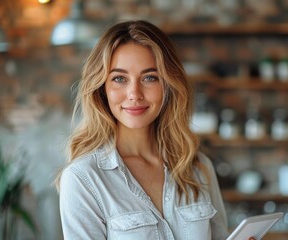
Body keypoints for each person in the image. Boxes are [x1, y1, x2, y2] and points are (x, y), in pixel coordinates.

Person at [56, 20, 237, 240]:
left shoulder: (198, 168)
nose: (134, 93)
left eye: (150, 77)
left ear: (168, 86)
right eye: (119, 79)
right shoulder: (83, 179)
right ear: (102, 88)